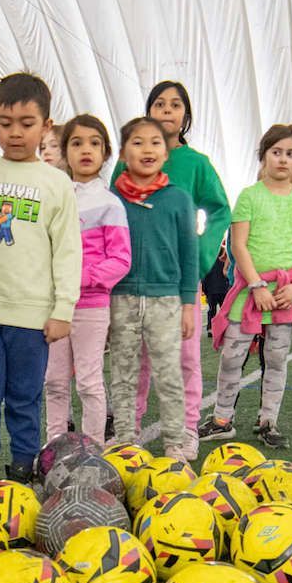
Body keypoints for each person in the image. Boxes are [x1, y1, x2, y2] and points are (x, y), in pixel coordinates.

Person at [0, 72, 81, 486]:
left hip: (32, 318)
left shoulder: (57, 183)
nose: (15, 133)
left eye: (27, 123)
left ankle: (24, 469)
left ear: (46, 125)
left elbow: (68, 250)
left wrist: (62, 309)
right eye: (5, 122)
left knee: (24, 399)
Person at [110, 81, 230, 445]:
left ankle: (187, 428)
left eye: (175, 105)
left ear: (185, 115)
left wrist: (199, 254)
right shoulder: (123, 165)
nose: (167, 110)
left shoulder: (196, 165)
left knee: (184, 357)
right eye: (159, 104)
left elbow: (219, 210)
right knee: (133, 360)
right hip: (130, 283)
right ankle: (127, 429)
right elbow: (112, 215)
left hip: (177, 281)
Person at [202, 123, 292, 449]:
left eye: (291, 153)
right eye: (276, 152)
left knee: (277, 358)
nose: (283, 159)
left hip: (286, 295)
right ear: (264, 155)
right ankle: (222, 419)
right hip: (250, 293)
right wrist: (256, 285)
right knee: (232, 357)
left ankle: (268, 420)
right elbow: (239, 245)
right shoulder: (249, 196)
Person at [106, 116, 198, 460]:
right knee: (123, 370)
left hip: (166, 299)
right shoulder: (112, 198)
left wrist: (188, 304)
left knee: (168, 371)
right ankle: (127, 437)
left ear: (166, 152)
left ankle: (175, 440)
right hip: (121, 297)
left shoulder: (178, 198)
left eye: (155, 142)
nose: (148, 149)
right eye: (138, 142)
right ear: (123, 152)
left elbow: (189, 253)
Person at [43, 113, 130, 448]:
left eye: (95, 143)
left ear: (105, 152)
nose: (86, 150)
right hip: (54, 308)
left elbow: (121, 261)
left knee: (89, 382)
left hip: (91, 307)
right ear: (65, 151)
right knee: (54, 381)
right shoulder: (56, 198)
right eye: (76, 143)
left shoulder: (110, 204)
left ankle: (92, 449)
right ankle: (54, 446)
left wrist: (79, 279)